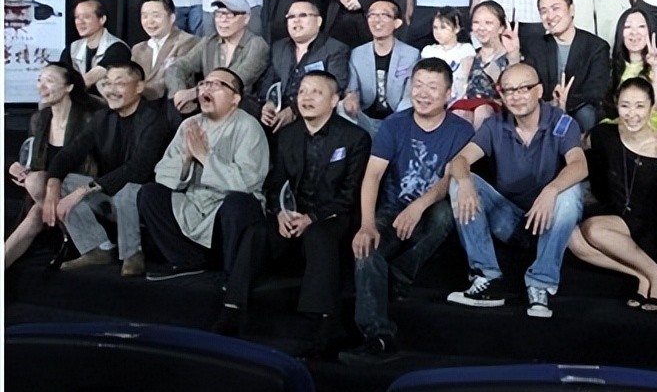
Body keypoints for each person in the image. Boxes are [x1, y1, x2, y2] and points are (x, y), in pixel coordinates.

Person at [215, 71, 370, 356]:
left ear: (334, 100)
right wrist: (280, 213)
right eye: (302, 92)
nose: (306, 98)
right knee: (256, 233)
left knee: (320, 235)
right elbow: (275, 185)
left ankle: (323, 323)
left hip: (332, 218)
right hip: (292, 216)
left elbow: (349, 195)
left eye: (316, 92)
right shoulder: (287, 135)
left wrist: (312, 218)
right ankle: (231, 309)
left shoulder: (354, 138)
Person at [348, 58, 475, 355]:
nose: (423, 93)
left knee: (445, 214)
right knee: (366, 249)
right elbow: (373, 175)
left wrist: (419, 205)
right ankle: (378, 336)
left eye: (432, 87)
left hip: (432, 208)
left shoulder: (460, 130)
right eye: (418, 85)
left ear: (448, 94)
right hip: (392, 209)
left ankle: (397, 277)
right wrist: (367, 224)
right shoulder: (394, 125)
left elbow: (449, 179)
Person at [445, 63, 587, 319]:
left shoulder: (561, 122)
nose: (515, 96)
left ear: (539, 91)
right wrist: (465, 183)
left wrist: (550, 190)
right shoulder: (495, 125)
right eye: (508, 90)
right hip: (510, 222)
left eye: (523, 89)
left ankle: (540, 283)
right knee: (460, 181)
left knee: (569, 194)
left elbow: (579, 165)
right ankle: (487, 278)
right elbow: (460, 160)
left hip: (548, 221)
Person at [570, 78, 657, 311]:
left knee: (592, 229)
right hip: (617, 217)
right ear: (616, 105)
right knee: (572, 237)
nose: (632, 114)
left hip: (648, 225)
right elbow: (574, 145)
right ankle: (642, 275)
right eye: (625, 105)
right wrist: (560, 112)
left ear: (651, 107)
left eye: (640, 106)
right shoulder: (604, 133)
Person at [138, 68, 270, 280]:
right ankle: (187, 259)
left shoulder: (248, 127)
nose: (206, 89)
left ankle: (233, 275)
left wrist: (205, 157)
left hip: (225, 206)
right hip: (194, 202)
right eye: (204, 84)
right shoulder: (190, 125)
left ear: (235, 98)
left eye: (216, 85)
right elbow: (162, 174)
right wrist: (186, 160)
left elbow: (248, 182)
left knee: (238, 205)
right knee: (150, 194)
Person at [41, 62, 171, 276]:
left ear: (139, 87)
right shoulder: (102, 118)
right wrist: (52, 186)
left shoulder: (155, 119)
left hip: (145, 197)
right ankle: (98, 248)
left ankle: (132, 254)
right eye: (107, 83)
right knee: (66, 181)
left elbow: (139, 169)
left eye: (119, 83)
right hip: (110, 192)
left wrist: (84, 191)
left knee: (128, 190)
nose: (111, 90)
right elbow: (70, 153)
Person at [5, 63, 102, 268]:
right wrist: (20, 169)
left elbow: (100, 164)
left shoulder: (89, 119)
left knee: (36, 187)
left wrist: (41, 182)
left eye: (49, 81)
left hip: (84, 190)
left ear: (69, 87)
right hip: (49, 195)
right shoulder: (39, 119)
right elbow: (34, 162)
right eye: (39, 80)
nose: (41, 86)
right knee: (35, 207)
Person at [511, 0, 610, 134]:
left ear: (571, 10)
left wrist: (566, 102)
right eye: (544, 11)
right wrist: (513, 55)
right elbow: (526, 83)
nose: (550, 16)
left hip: (579, 109)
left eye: (555, 8)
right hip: (545, 108)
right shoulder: (536, 46)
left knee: (586, 114)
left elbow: (596, 91)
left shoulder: (596, 47)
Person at [166, 0, 270, 116]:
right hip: (208, 103)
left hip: (240, 107)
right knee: (173, 107)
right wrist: (178, 92)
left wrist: (196, 91)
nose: (223, 20)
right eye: (219, 14)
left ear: (246, 19)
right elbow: (177, 67)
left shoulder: (257, 45)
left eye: (229, 15)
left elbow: (233, 80)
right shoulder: (209, 42)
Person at [257, 0, 350, 134]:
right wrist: (269, 103)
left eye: (303, 15)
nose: (296, 21)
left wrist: (294, 110)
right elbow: (269, 80)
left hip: (314, 115)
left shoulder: (335, 49)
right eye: (291, 17)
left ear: (318, 21)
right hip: (278, 111)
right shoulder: (278, 47)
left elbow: (336, 87)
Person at [605, 7, 657, 154]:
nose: (634, 32)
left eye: (641, 27)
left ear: (650, 31)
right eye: (628, 27)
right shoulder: (614, 66)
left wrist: (656, 68)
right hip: (628, 124)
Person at [342, 0, 420, 136]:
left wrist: (395, 122)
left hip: (398, 117)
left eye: (384, 15)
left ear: (397, 23)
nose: (376, 20)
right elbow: (352, 89)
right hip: (365, 117)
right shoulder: (357, 53)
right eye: (372, 15)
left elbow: (410, 95)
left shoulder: (411, 54)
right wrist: (351, 96)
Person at [449, 1, 519, 129]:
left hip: (498, 108)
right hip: (468, 106)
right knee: (459, 113)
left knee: (482, 111)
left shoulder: (511, 57)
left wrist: (513, 55)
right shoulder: (469, 59)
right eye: (476, 23)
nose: (481, 28)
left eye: (488, 23)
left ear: (501, 27)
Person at [130, 0, 201, 101]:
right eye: (145, 16)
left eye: (156, 15)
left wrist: (139, 90)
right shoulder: (137, 49)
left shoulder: (188, 41)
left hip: (171, 105)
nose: (150, 21)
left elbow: (173, 82)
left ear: (172, 18)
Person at [60, 0, 132, 91]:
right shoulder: (72, 48)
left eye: (86, 17)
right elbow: (61, 76)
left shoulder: (118, 48)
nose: (80, 22)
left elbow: (90, 79)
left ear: (102, 19)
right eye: (77, 17)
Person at [419, 7, 474, 104]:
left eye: (443, 27)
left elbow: (466, 79)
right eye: (435, 27)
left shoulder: (465, 50)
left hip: (459, 100)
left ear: (456, 28)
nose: (438, 32)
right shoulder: (428, 51)